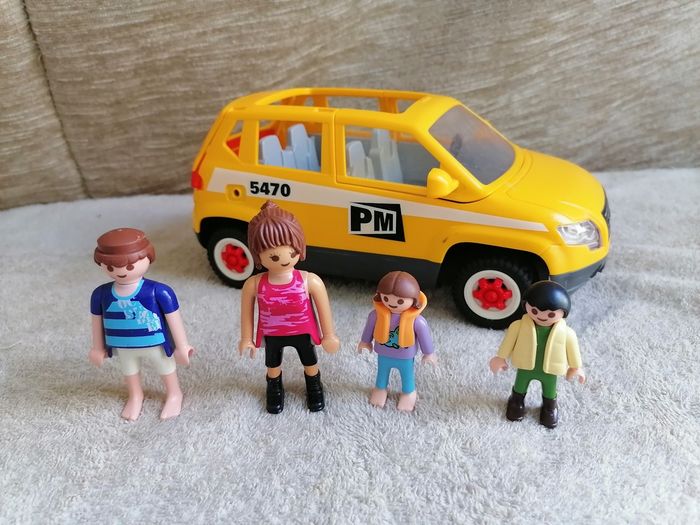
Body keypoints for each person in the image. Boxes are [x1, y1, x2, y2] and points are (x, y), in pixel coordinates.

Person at [238, 201, 339, 414]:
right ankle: (274, 388)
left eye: (292, 252)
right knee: (272, 365)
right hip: (272, 333)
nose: (284, 259)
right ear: (257, 254)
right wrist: (246, 339)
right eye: (273, 257)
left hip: (303, 331)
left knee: (309, 361)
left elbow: (323, 309)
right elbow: (246, 313)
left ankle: (314, 385)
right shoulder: (254, 284)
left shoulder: (310, 280)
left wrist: (329, 335)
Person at [89, 228, 194, 421]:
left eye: (129, 266)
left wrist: (182, 346)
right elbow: (96, 320)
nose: (120, 271)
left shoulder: (158, 291)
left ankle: (174, 393)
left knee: (164, 366)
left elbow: (173, 318)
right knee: (129, 369)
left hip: (155, 343)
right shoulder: (100, 294)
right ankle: (135, 395)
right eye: (111, 267)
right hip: (123, 345)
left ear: (148, 257)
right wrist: (98, 348)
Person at [489, 280, 586, 428]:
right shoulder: (518, 326)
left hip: (550, 370)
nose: (542, 316)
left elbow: (573, 349)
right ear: (526, 306)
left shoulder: (567, 333)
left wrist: (575, 367)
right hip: (525, 366)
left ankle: (549, 408)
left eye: (551, 313)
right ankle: (516, 402)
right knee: (520, 385)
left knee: (550, 390)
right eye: (534, 311)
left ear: (563, 312)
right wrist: (500, 357)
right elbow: (508, 342)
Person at [358, 271, 436, 412]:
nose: (392, 303)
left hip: (405, 356)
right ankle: (380, 389)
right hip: (383, 353)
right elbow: (369, 328)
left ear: (414, 300)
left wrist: (428, 353)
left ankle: (408, 392)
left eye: (400, 301)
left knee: (407, 375)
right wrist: (365, 342)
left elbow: (424, 336)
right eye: (386, 298)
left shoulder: (417, 321)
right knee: (382, 373)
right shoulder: (376, 315)